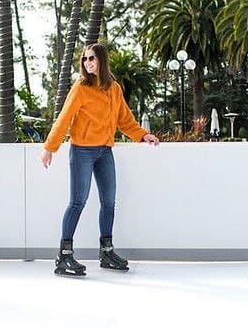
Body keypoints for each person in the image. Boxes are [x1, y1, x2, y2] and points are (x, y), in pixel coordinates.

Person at [40, 43, 160, 277]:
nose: (87, 63)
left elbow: (124, 119)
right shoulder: (80, 88)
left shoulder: (113, 89)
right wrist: (49, 147)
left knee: (109, 201)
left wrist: (142, 135)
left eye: (92, 58)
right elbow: (64, 119)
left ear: (101, 60)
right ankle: (63, 257)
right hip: (82, 151)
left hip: (104, 151)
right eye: (84, 59)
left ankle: (106, 252)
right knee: (78, 201)